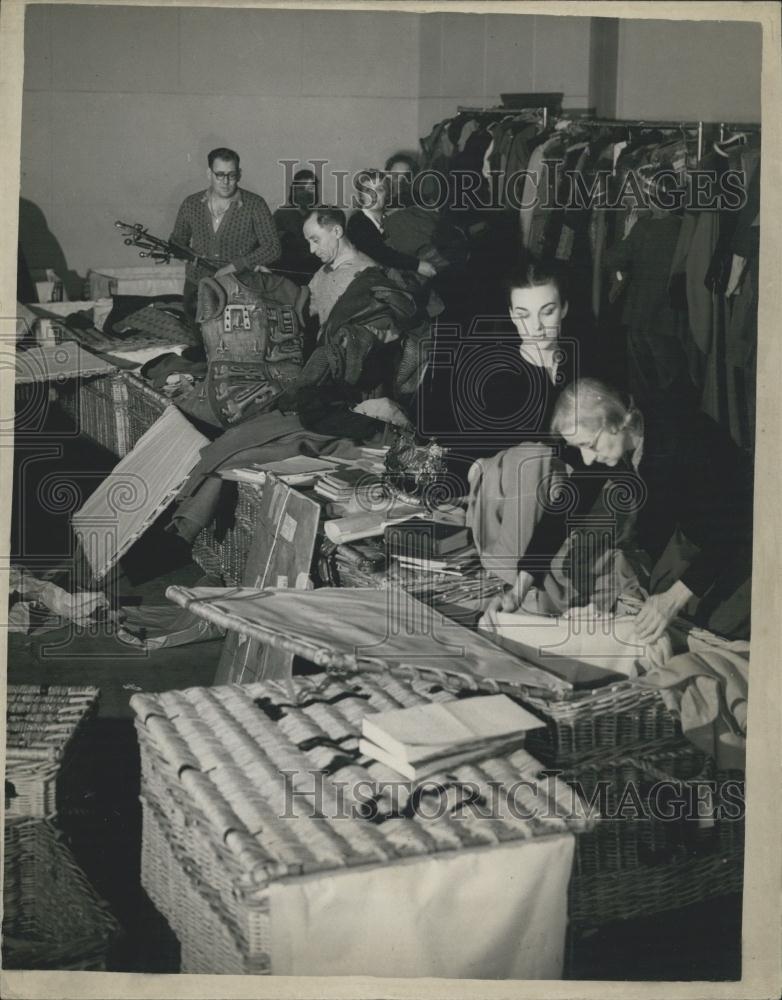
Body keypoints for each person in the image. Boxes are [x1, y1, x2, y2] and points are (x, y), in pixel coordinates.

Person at [486, 378, 753, 641]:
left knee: (713, 627)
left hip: (747, 535)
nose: (586, 458)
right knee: (663, 609)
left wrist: (673, 599)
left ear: (616, 423)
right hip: (696, 531)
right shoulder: (617, 435)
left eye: (589, 445)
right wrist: (518, 589)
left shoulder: (683, 439)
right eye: (578, 447)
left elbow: (729, 531)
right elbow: (564, 509)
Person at [169, 147, 280, 324]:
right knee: (198, 342)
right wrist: (185, 254)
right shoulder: (191, 204)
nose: (226, 181)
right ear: (209, 173)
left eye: (232, 175)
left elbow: (273, 248)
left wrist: (234, 266)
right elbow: (176, 241)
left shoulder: (255, 204)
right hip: (197, 287)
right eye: (220, 174)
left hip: (239, 286)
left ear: (240, 174)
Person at [346, 170, 437, 278]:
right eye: (368, 190)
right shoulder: (357, 221)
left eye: (380, 189)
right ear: (361, 196)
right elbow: (380, 252)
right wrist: (418, 265)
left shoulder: (390, 218)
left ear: (387, 195)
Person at [272, 169, 321, 284]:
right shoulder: (282, 215)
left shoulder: (321, 215)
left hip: (315, 274)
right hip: (287, 276)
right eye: (300, 189)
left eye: (310, 189)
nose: (306, 193)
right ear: (293, 191)